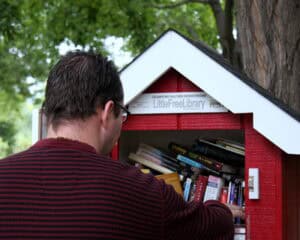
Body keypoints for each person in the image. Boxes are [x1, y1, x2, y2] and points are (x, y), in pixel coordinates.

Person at [0, 51, 244, 239]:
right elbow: (210, 228)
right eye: (123, 114)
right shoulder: (141, 191)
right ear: (107, 112)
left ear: (47, 114)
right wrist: (222, 210)